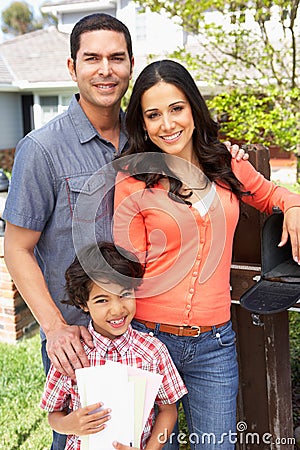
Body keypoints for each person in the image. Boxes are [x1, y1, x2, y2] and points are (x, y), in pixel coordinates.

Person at [2, 12, 246, 449]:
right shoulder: (41, 150)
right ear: (71, 67)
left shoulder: (149, 140)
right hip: (79, 337)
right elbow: (17, 248)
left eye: (117, 58)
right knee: (87, 439)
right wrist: (56, 328)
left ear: (131, 65)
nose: (105, 69)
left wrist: (226, 154)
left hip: (144, 332)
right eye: (91, 58)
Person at [113, 59, 300, 450]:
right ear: (142, 124)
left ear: (194, 110)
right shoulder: (132, 181)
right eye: (153, 114)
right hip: (148, 340)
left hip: (214, 347)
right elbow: (128, 270)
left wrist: (294, 208)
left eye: (176, 108)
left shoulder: (227, 164)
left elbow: (273, 194)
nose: (167, 124)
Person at [40, 241, 187, 450]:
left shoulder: (153, 352)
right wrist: (68, 424)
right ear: (83, 304)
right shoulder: (72, 354)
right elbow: (53, 415)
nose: (117, 309)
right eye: (102, 300)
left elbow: (168, 410)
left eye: (125, 294)